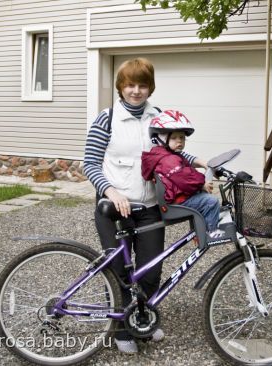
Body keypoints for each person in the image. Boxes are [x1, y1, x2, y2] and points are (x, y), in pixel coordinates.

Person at [83, 58, 208, 353]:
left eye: (142, 85)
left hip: (150, 206)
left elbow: (171, 151)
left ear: (150, 87)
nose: (136, 91)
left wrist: (200, 162)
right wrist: (110, 191)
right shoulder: (106, 118)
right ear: (121, 87)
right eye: (130, 85)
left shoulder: (159, 117)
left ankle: (142, 317)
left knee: (151, 272)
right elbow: (89, 163)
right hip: (114, 208)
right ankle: (121, 330)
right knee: (119, 273)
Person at [141, 110, 225, 238]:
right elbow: (185, 178)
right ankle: (211, 231)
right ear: (162, 139)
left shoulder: (164, 155)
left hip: (176, 198)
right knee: (211, 201)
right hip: (177, 202)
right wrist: (201, 184)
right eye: (174, 138)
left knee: (204, 199)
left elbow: (186, 170)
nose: (179, 141)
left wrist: (204, 169)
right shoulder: (168, 159)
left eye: (182, 137)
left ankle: (204, 226)